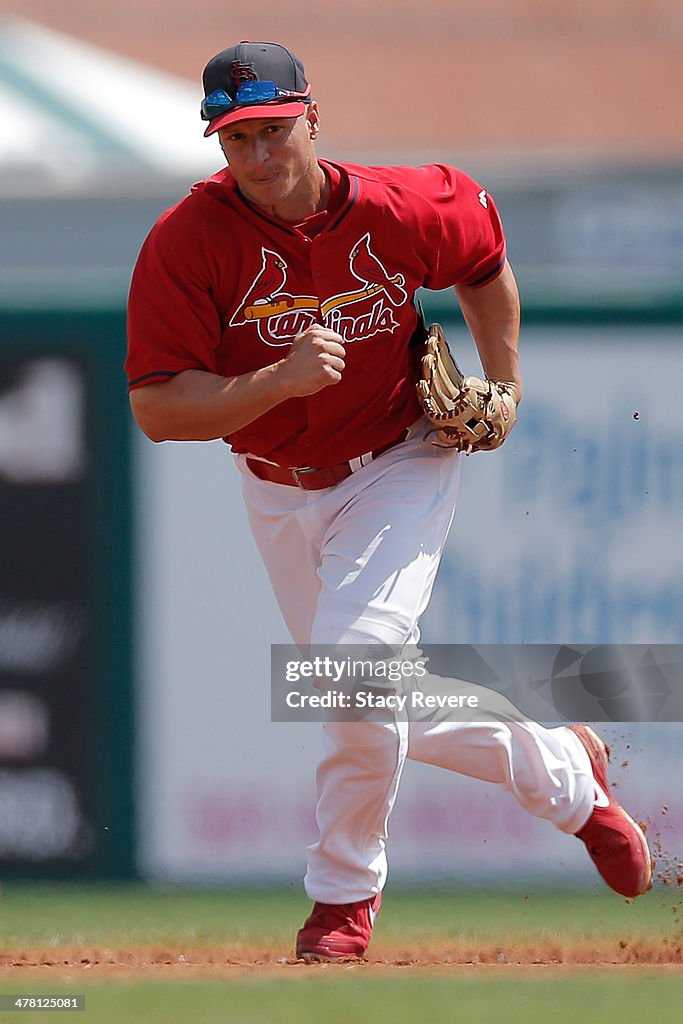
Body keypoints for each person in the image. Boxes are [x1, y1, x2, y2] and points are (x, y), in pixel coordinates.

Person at [126, 40, 653, 961]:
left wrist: (507, 387)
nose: (256, 156)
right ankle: (566, 773)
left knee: (353, 663)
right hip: (275, 482)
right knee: (358, 686)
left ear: (311, 119)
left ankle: (341, 900)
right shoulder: (186, 242)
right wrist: (273, 385)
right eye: (234, 137)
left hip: (395, 459)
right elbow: (158, 408)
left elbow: (484, 259)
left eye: (272, 130)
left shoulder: (402, 205)